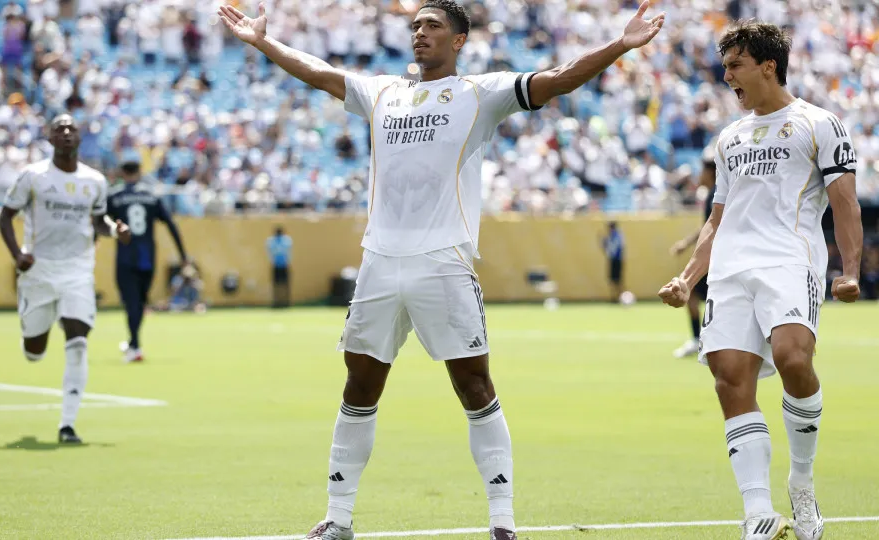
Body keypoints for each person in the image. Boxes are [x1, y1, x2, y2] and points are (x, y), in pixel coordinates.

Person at [218, 1, 664, 539]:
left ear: (458, 41)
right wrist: (264, 43)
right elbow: (319, 73)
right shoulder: (382, 91)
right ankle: (337, 518)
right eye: (416, 25)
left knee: (475, 386)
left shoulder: (481, 93)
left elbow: (559, 79)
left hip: (444, 262)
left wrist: (620, 45)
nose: (420, 33)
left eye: (433, 26)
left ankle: (502, 522)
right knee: (359, 386)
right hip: (379, 261)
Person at [658, 22, 862, 540]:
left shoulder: (820, 123)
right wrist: (687, 278)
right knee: (729, 378)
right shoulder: (729, 138)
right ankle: (758, 514)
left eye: (735, 66)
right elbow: (716, 219)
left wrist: (850, 270)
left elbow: (845, 202)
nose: (727, 76)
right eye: (725, 67)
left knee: (794, 359)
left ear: (768, 66)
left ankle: (802, 483)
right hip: (731, 270)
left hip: (789, 262)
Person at [0, 114, 131, 444]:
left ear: (80, 138)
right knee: (34, 351)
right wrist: (17, 255)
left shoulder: (94, 180)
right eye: (60, 129)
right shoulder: (33, 176)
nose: (67, 133)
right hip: (39, 271)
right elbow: (5, 217)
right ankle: (35, 333)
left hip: (77, 270)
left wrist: (115, 230)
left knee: (78, 341)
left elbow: (98, 221)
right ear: (50, 138)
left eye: (72, 129)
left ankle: (67, 425)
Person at [106, 161, 189, 363]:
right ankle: (133, 342)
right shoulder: (151, 196)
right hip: (147, 257)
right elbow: (170, 224)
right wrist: (183, 255)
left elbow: (100, 222)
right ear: (139, 172)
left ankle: (134, 346)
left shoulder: (115, 196)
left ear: (123, 173)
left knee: (131, 302)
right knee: (140, 301)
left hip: (126, 257)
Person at [669, 146, 718, 357]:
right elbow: (708, 227)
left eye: (702, 171)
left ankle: (699, 339)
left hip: (715, 259)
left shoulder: (717, 195)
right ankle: (702, 339)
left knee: (690, 292)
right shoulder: (713, 195)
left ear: (711, 172)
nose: (699, 176)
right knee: (697, 296)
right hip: (714, 257)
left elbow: (713, 228)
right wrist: (686, 243)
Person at [266, 226, 292, 308]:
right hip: (276, 265)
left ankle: (285, 301)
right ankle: (277, 302)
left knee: (285, 285)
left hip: (284, 265)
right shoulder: (271, 241)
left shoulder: (286, 240)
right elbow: (270, 252)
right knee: (276, 285)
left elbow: (288, 252)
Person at [601, 221, 625, 302]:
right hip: (613, 260)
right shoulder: (612, 236)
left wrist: (605, 244)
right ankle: (614, 297)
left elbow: (613, 249)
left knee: (618, 280)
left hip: (617, 260)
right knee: (612, 280)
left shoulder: (617, 236)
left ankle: (620, 297)